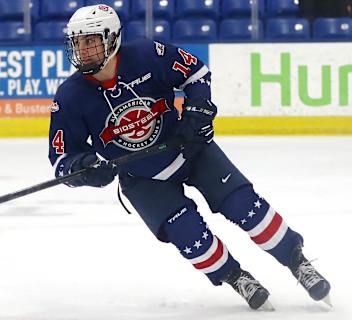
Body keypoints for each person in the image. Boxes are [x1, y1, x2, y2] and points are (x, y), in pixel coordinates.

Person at [48, 4, 331, 310]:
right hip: (144, 179)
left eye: (91, 40)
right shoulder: (69, 97)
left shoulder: (147, 55)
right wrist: (85, 169)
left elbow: (195, 72)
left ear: (113, 38)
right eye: (78, 42)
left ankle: (296, 260)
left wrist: (197, 111)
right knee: (188, 234)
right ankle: (236, 277)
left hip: (190, 149)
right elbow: (62, 159)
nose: (83, 49)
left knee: (246, 207)